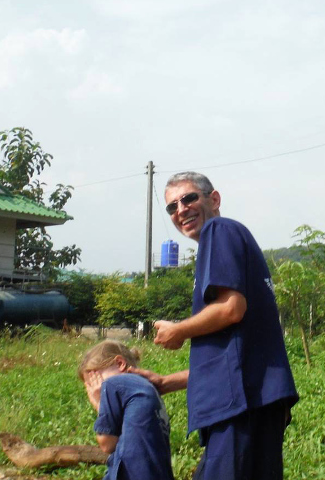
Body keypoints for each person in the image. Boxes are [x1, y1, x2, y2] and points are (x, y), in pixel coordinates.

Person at [132, 171, 298, 480]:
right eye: (172, 206)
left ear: (215, 199)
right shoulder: (227, 242)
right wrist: (167, 382)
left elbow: (232, 309)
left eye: (189, 198)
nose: (181, 209)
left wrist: (179, 330)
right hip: (254, 399)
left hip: (242, 406)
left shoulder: (218, 230)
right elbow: (234, 356)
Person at [78, 339, 175, 480]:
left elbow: (107, 443)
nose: (94, 388)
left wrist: (99, 402)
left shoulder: (113, 383)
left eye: (95, 379)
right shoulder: (149, 388)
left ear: (120, 363)